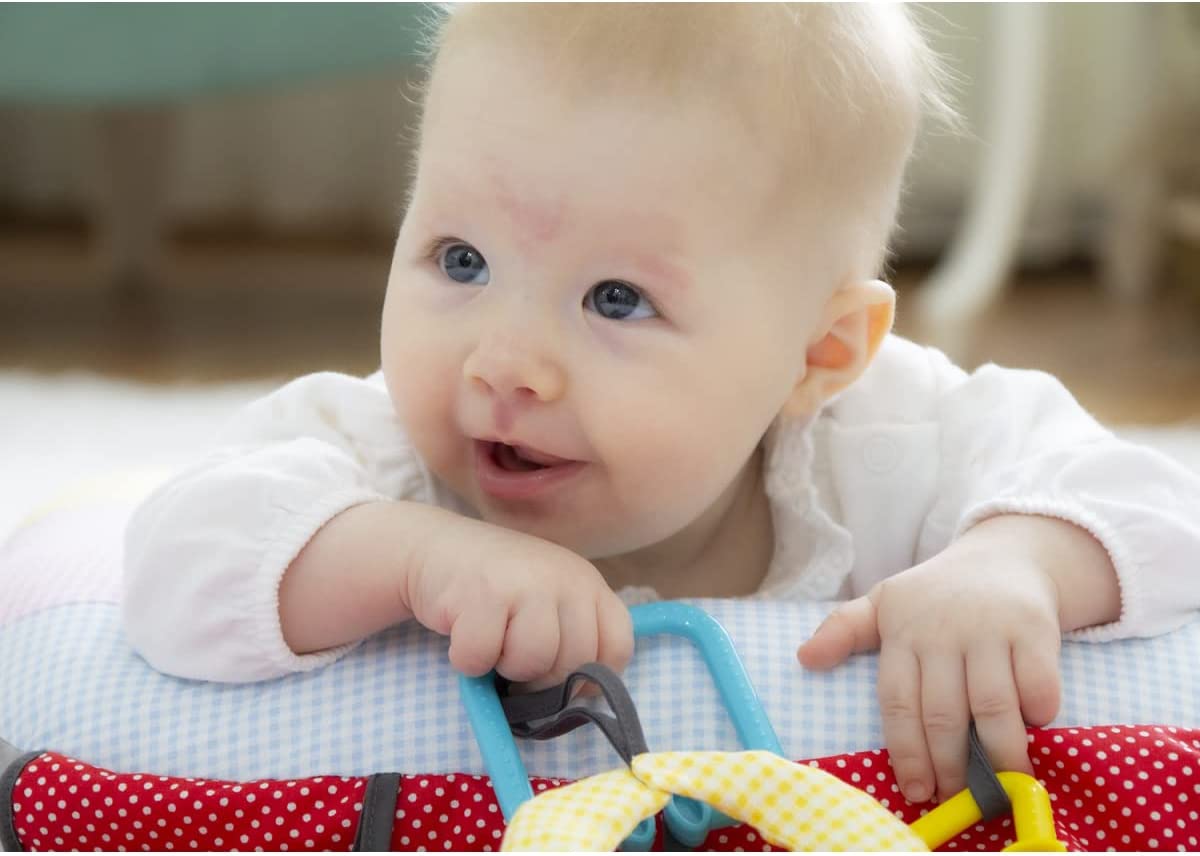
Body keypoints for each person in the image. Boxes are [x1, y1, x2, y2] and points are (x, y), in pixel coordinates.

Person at [123, 3, 1200, 806]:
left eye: (616, 298)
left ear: (817, 354)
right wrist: (407, 558)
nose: (506, 364)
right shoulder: (381, 452)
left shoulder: (887, 435)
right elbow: (174, 554)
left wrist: (1012, 561)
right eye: (460, 257)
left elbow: (1152, 503)